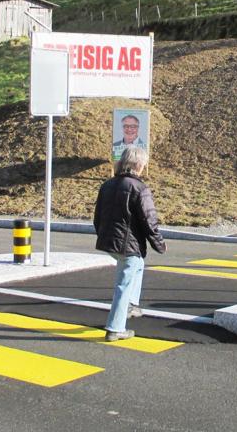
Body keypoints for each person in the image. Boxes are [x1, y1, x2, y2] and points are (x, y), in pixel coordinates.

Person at [93, 146, 166, 341]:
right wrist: (159, 244)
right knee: (124, 283)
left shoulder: (107, 185)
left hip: (110, 241)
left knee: (137, 265)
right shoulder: (139, 188)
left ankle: (131, 305)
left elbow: (97, 216)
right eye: (143, 164)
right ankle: (115, 328)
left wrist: (103, 235)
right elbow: (149, 220)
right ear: (138, 164)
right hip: (128, 244)